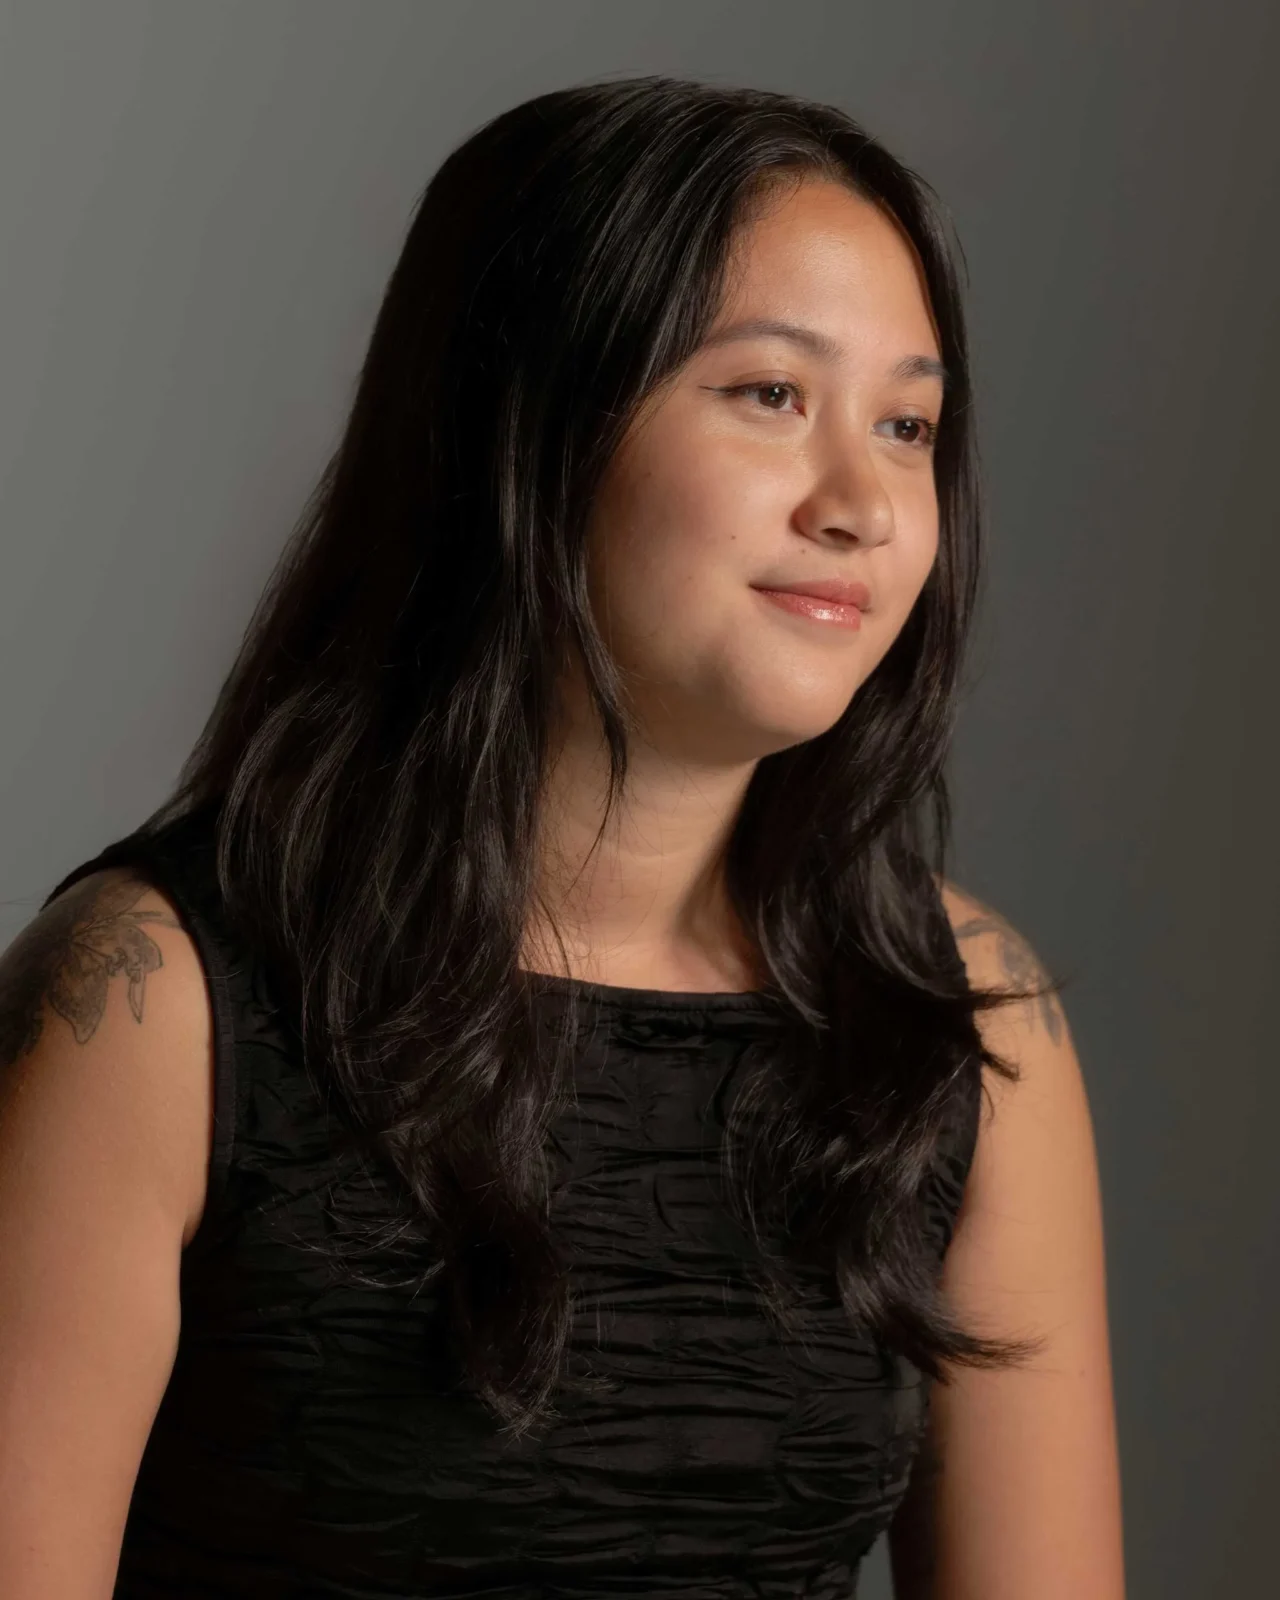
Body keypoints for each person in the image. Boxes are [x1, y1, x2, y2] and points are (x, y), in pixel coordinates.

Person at [0, 75, 1125, 1598]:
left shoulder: (966, 1021)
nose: (863, 503)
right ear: (523, 427)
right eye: (770, 395)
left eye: (908, 425)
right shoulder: (150, 1005)